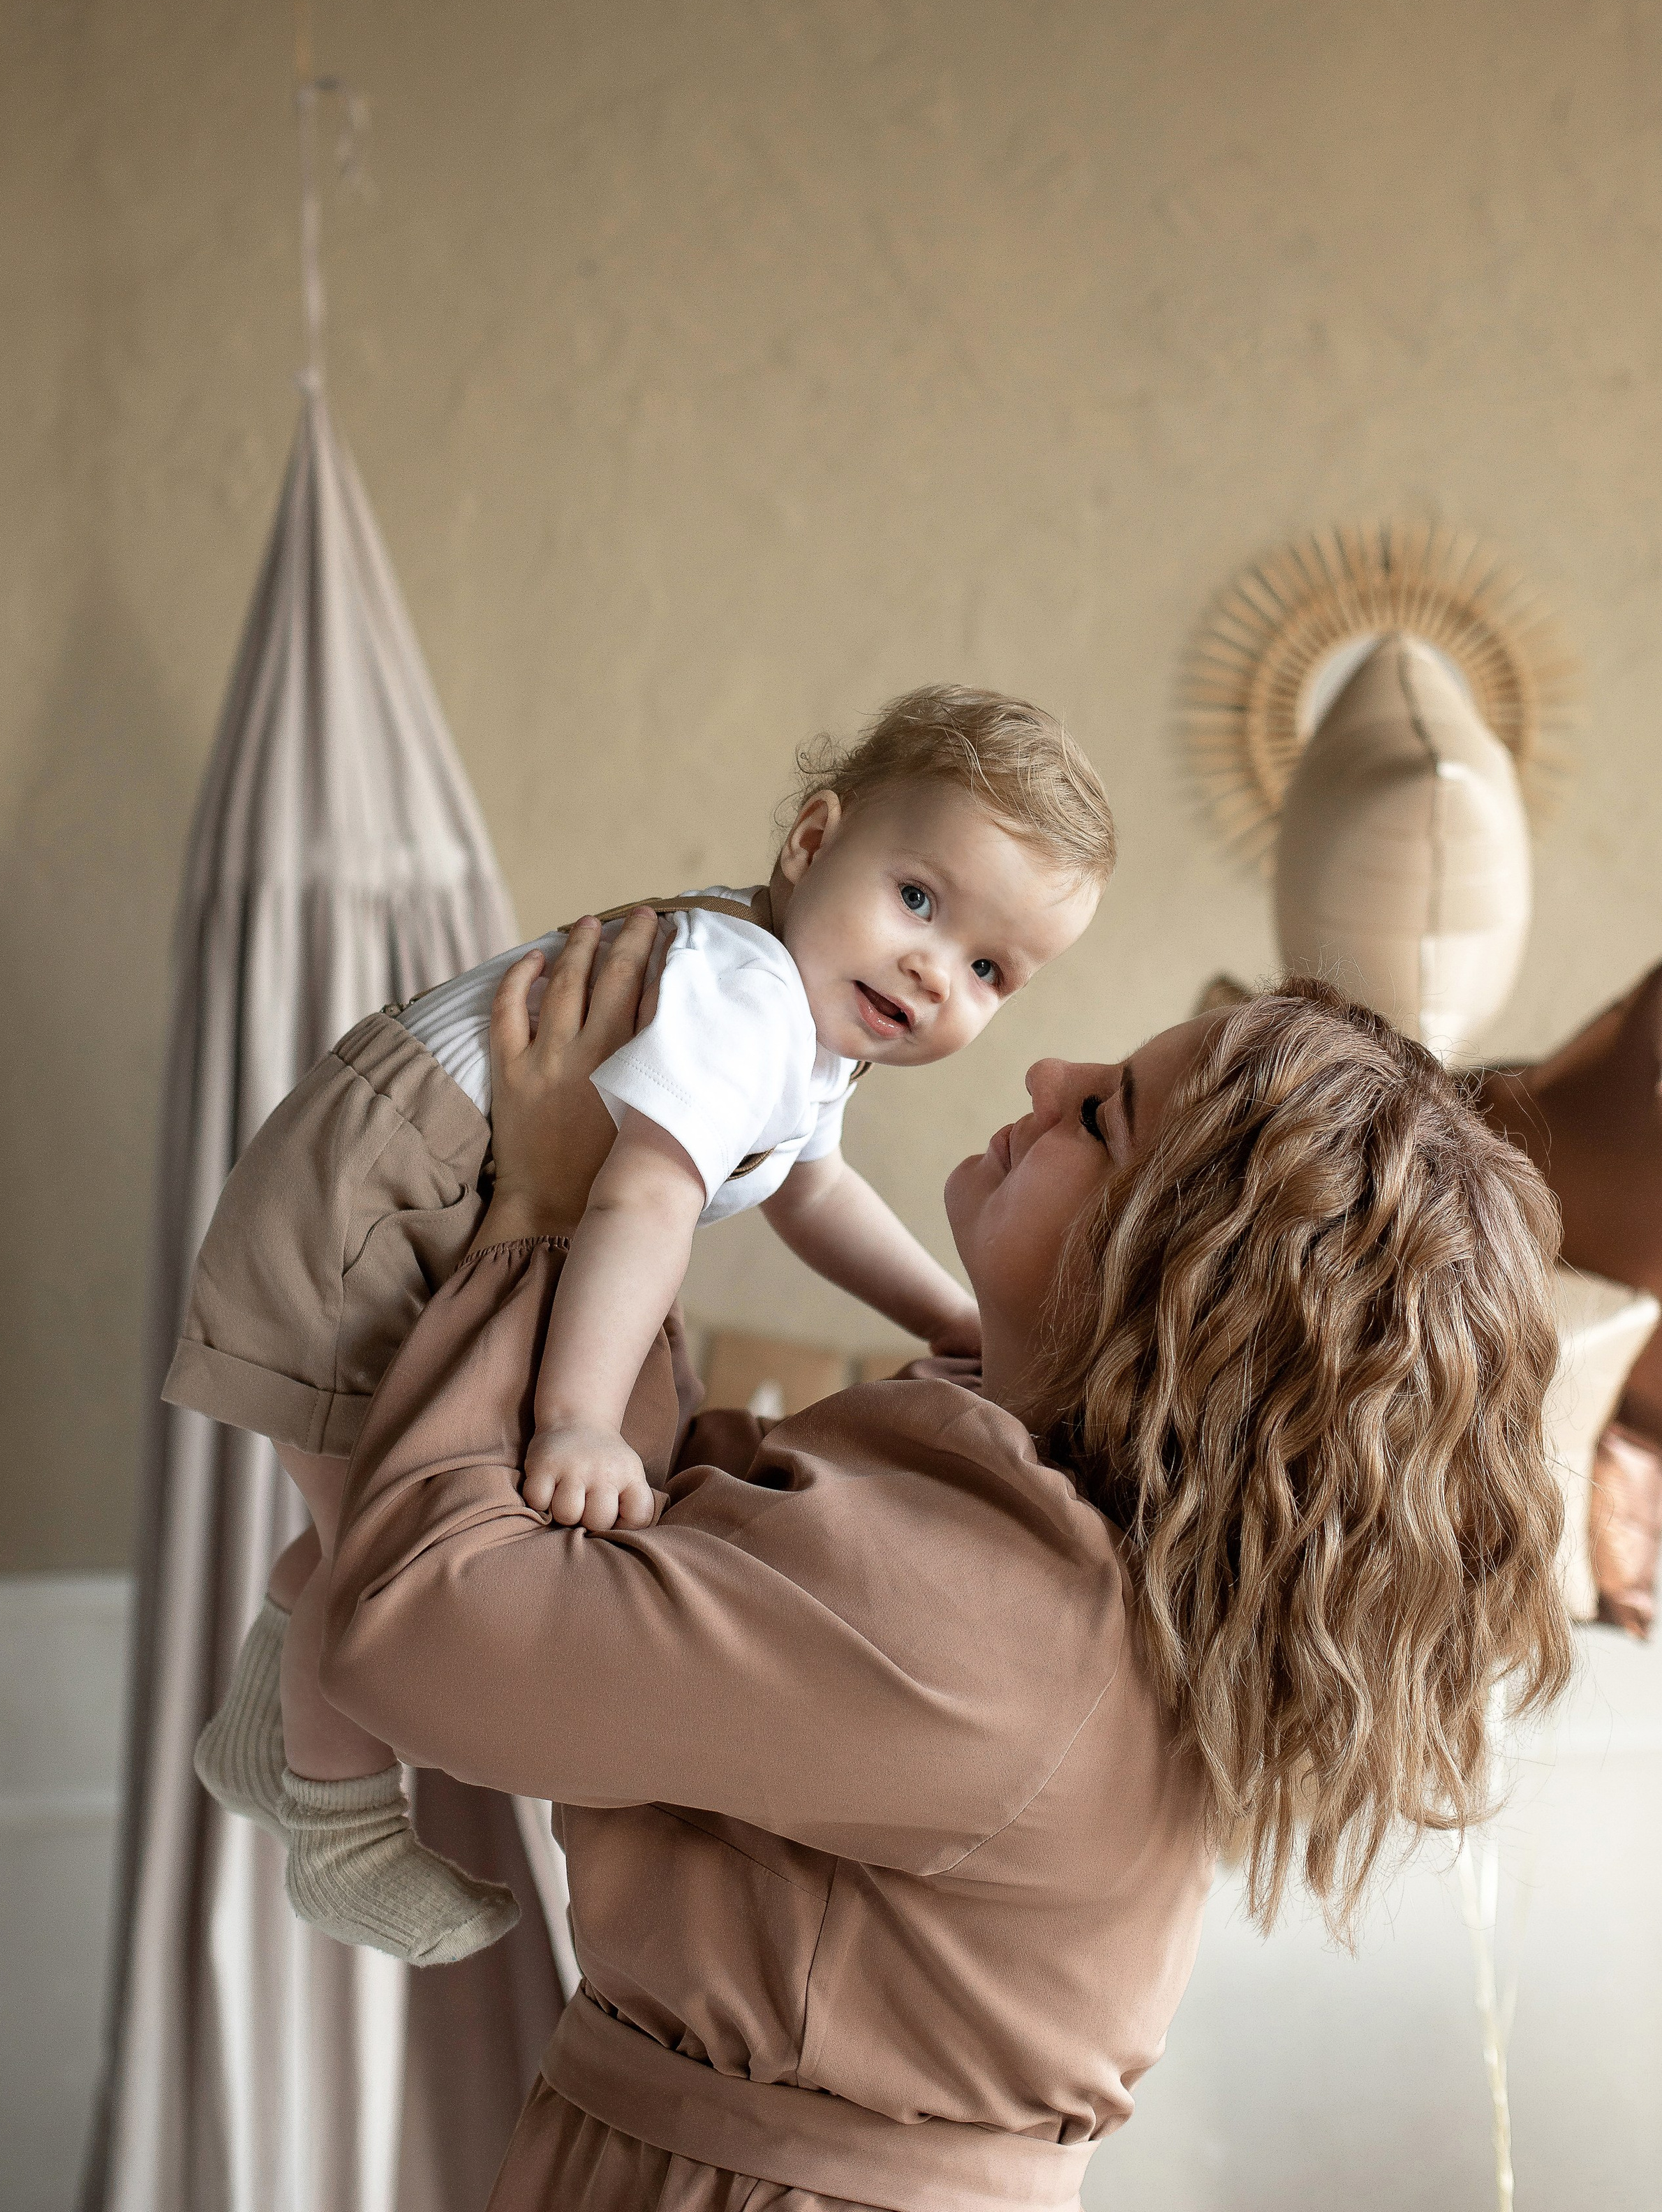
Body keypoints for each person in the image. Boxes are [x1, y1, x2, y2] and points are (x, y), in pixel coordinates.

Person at [320, 914, 1573, 2212]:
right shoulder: (1009, 1494)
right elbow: (654, 1521)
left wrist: (546, 1205)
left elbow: (413, 1630)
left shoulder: (989, 1614)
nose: (1046, 1078)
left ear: (1168, 1284)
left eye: (1104, 1119)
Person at [165, 684, 1113, 1965]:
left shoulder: (804, 1012)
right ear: (811, 840)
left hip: (402, 1195)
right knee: (385, 1562)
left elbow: (809, 1188)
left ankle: (260, 1732)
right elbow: (645, 1198)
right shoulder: (744, 995)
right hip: (368, 1216)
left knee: (360, 1519)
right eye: (921, 902)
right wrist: (576, 1419)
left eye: (989, 968)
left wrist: (947, 1312)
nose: (932, 970)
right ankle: (337, 1832)